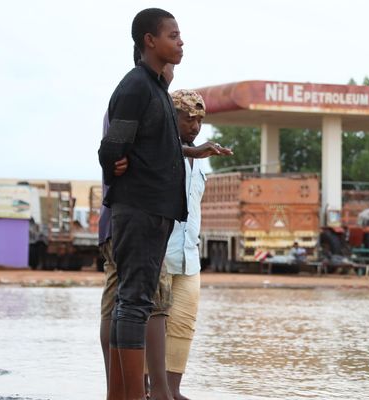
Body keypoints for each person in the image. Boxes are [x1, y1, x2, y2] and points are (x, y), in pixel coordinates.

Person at [98, 8, 187, 399]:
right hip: (139, 210)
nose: (180, 42)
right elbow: (111, 146)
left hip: (154, 211)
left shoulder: (156, 88)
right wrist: (112, 161)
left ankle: (120, 395)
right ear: (149, 41)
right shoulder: (136, 86)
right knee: (135, 303)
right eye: (173, 35)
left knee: (132, 302)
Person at [162, 89, 229, 400]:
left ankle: (173, 390)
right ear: (171, 117)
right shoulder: (159, 150)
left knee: (183, 324)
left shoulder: (202, 161)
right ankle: (151, 388)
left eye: (200, 120)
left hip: (190, 255)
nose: (195, 126)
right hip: (160, 253)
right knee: (155, 322)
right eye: (189, 119)